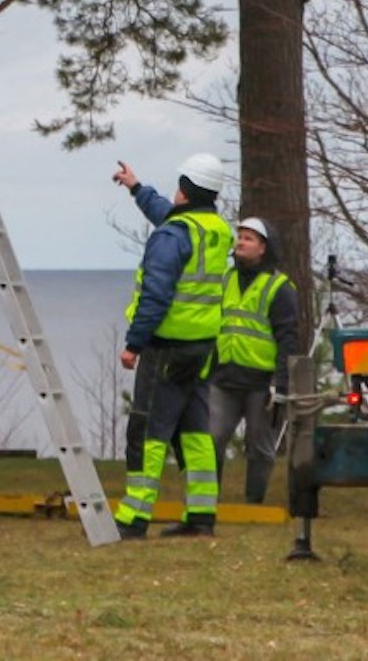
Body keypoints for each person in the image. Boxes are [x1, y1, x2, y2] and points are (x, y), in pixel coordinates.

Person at [110, 153, 232, 539]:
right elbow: (169, 215)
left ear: (185, 190)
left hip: (166, 348)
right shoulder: (214, 230)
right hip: (202, 348)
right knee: (194, 431)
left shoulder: (172, 236)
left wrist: (134, 343)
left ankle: (134, 519)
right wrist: (136, 188)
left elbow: (156, 295)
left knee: (147, 431)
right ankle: (201, 516)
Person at [208, 217, 299, 503]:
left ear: (263, 248)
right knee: (211, 439)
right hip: (224, 378)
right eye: (240, 236)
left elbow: (288, 339)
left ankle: (253, 502)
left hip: (262, 383)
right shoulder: (225, 280)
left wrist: (281, 384)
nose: (240, 242)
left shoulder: (279, 288)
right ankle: (207, 499)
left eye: (248, 238)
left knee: (260, 447)